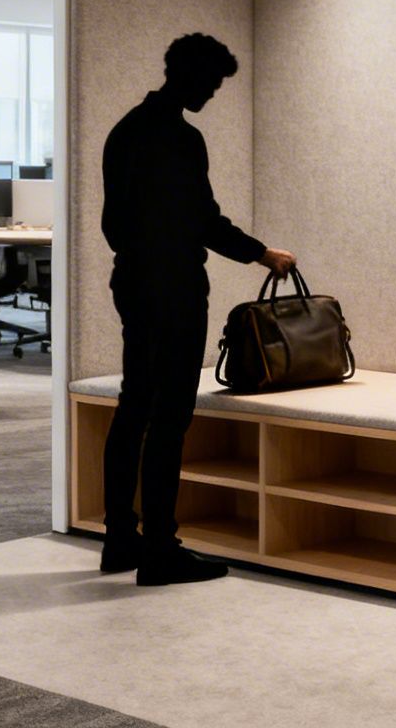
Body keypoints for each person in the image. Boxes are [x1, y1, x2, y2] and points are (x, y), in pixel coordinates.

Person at [99, 33, 295, 585]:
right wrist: (262, 254)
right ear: (189, 75)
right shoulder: (180, 138)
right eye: (211, 82)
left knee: (134, 404)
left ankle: (121, 539)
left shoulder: (126, 129)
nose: (213, 93)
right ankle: (160, 549)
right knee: (171, 417)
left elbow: (113, 223)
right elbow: (203, 221)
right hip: (174, 288)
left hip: (132, 279)